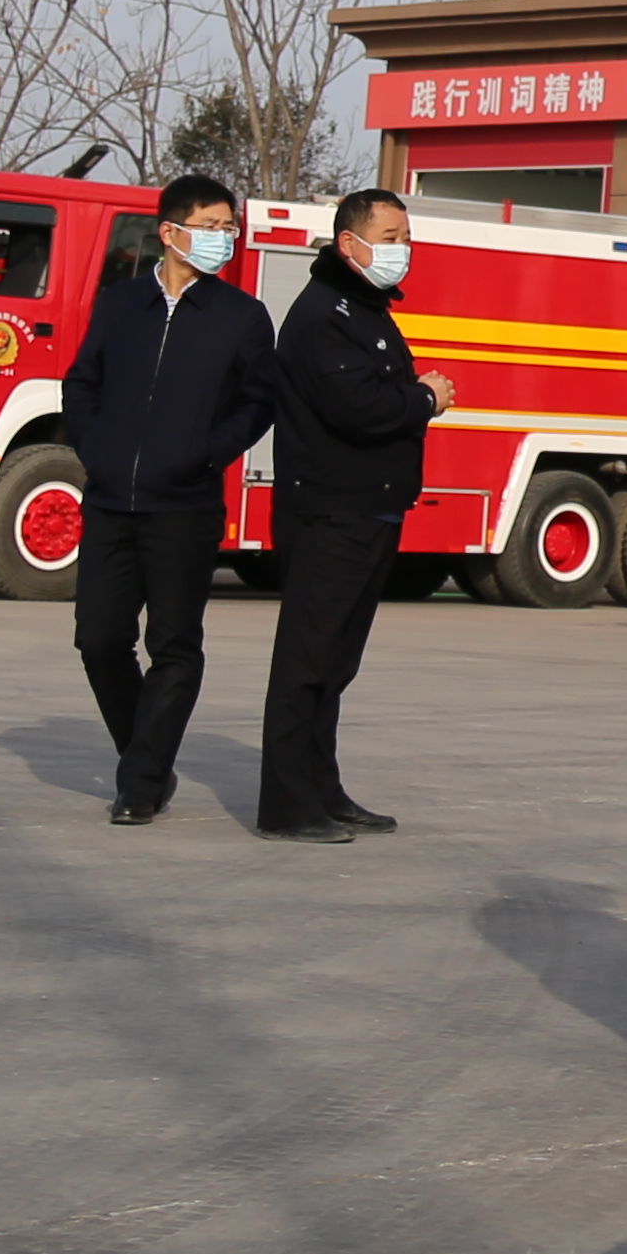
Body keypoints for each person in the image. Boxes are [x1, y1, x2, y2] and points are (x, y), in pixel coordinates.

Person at [68, 171, 276, 829]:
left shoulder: (241, 316)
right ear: (169, 232)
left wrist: (204, 453)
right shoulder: (120, 303)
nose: (223, 239)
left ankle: (141, 782)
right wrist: (95, 448)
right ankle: (148, 759)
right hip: (110, 498)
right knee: (99, 639)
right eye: (210, 227)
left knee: (174, 645)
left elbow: (258, 403)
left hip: (184, 504)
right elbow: (82, 383)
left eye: (228, 228)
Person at [256, 186, 451, 845]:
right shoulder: (324, 315)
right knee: (307, 659)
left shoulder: (367, 310)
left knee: (335, 662)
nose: (403, 250)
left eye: (406, 238)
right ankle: (287, 805)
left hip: (371, 509)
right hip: (329, 512)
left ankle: (322, 787)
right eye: (391, 238)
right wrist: (424, 398)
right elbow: (358, 408)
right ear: (350, 243)